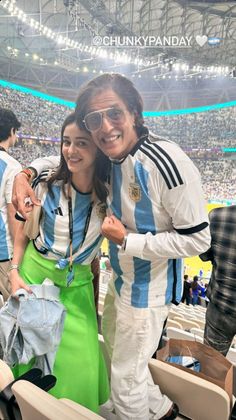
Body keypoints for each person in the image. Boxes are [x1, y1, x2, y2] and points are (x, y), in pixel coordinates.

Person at [12, 74, 210, 420]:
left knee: (125, 380)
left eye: (114, 113)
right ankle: (163, 411)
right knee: (122, 359)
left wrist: (127, 241)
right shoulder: (111, 163)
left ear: (134, 111)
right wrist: (23, 173)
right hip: (118, 285)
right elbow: (61, 161)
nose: (105, 127)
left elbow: (198, 238)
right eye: (95, 119)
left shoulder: (166, 160)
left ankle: (138, 410)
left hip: (147, 293)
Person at [9, 112, 110, 413]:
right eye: (66, 142)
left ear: (98, 149)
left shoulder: (112, 191)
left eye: (81, 143)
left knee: (79, 369)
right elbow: (22, 227)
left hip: (77, 289)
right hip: (34, 278)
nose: (70, 150)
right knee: (30, 365)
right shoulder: (45, 179)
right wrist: (14, 271)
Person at [200, 205, 236, 356]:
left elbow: (203, 255)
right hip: (220, 307)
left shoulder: (217, 216)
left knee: (210, 366)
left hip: (221, 306)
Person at [0, 108, 22, 301]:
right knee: (12, 309)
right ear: (12, 131)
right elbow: (12, 211)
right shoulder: (12, 166)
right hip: (3, 250)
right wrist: (18, 255)